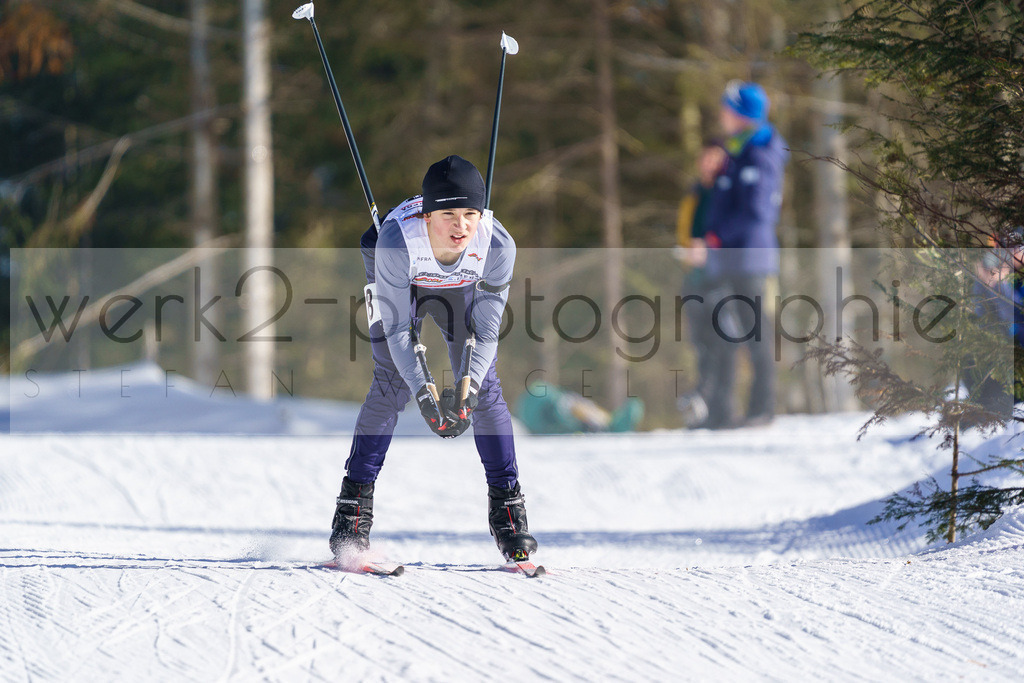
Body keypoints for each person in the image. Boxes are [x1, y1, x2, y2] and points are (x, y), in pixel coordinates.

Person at [329, 155, 538, 562]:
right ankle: (352, 514)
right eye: (447, 214)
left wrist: (469, 387)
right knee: (391, 386)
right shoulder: (396, 241)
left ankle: (509, 511)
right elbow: (397, 331)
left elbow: (487, 331)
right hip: (398, 277)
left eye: (470, 214)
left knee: (486, 389)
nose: (460, 226)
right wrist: (423, 392)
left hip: (459, 286)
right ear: (427, 215)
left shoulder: (497, 244)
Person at [699, 80, 789, 429]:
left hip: (749, 258)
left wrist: (717, 236)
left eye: (727, 107)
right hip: (732, 259)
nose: (721, 113)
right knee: (731, 333)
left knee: (756, 334)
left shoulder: (759, 152)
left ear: (741, 114)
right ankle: (728, 410)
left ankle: (762, 408)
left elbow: (757, 211)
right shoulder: (738, 150)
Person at [675, 141, 726, 427]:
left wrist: (709, 248)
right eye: (704, 158)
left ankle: (716, 406)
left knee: (723, 345)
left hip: (721, 277)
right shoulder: (694, 193)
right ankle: (703, 407)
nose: (708, 164)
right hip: (694, 277)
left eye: (714, 159)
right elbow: (686, 231)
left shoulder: (726, 193)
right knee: (701, 345)